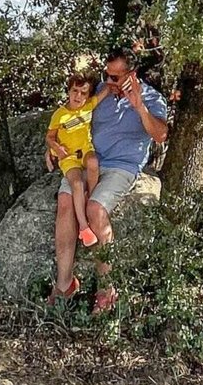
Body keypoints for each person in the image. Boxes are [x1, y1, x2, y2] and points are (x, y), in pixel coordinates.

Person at [50, 47, 169, 314]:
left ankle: (107, 290)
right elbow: (71, 117)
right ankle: (64, 285)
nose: (110, 81)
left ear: (132, 74)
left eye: (116, 77)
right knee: (66, 200)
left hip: (121, 166)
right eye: (107, 75)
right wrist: (53, 144)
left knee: (95, 209)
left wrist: (139, 107)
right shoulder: (99, 93)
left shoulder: (152, 98)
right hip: (87, 160)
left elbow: (160, 135)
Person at [45, 64, 103, 250]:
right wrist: (56, 148)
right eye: (75, 91)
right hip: (68, 157)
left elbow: (108, 90)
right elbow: (50, 136)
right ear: (69, 91)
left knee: (93, 162)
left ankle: (90, 202)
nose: (78, 96)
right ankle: (84, 227)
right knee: (76, 184)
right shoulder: (60, 115)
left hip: (85, 150)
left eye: (83, 93)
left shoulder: (88, 106)